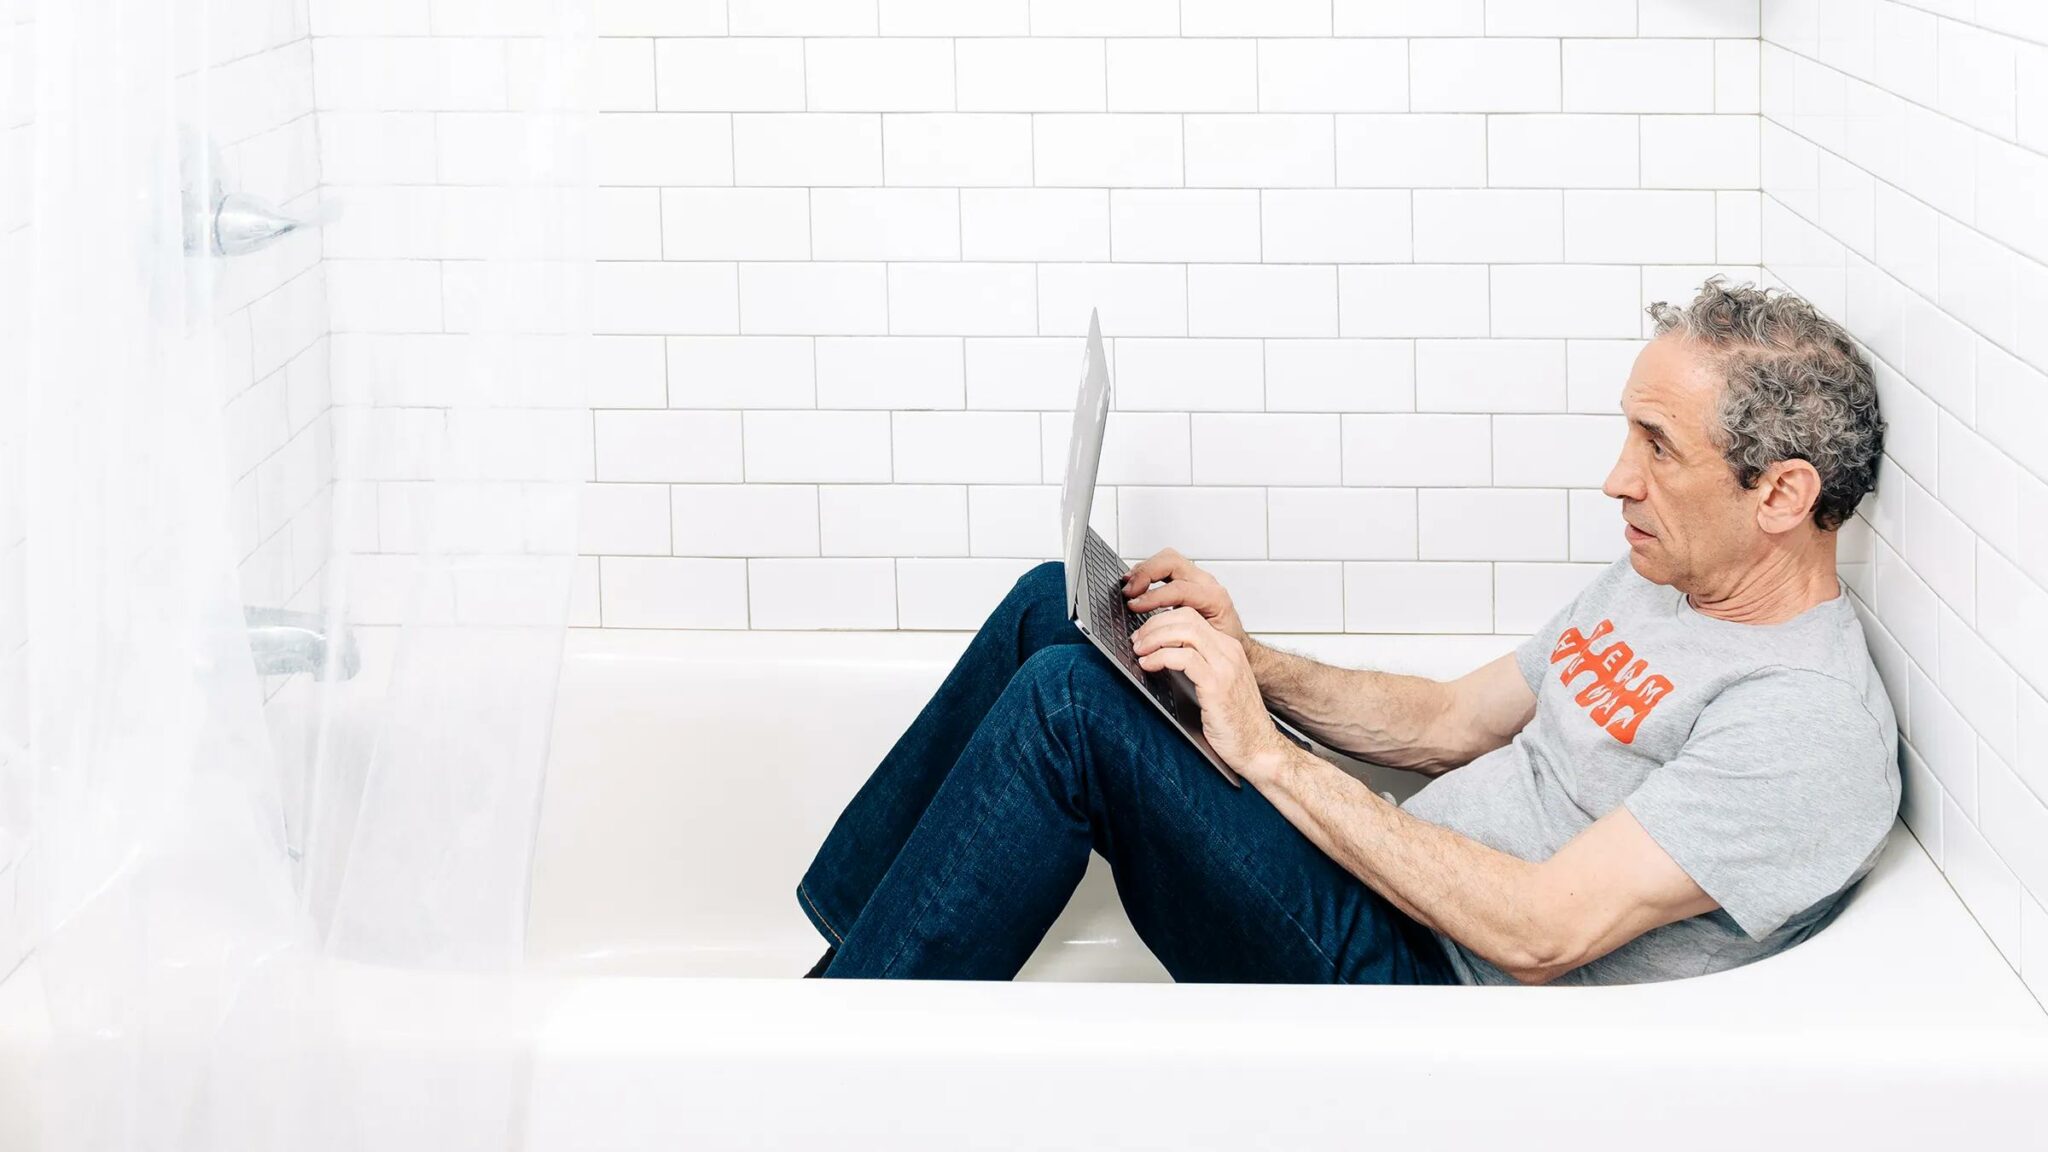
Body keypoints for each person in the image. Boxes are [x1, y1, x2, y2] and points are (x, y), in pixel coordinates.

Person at [794, 278, 1899, 986]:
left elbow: (1536, 934)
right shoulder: (1668, 580)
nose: (1617, 479)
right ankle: (847, 967)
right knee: (1060, 604)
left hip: (1420, 988)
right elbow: (1447, 721)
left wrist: (1262, 752)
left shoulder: (1801, 723)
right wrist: (1242, 660)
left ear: (1779, 495)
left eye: (1656, 447)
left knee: (1067, 709)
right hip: (1379, 882)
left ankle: (833, 1070)